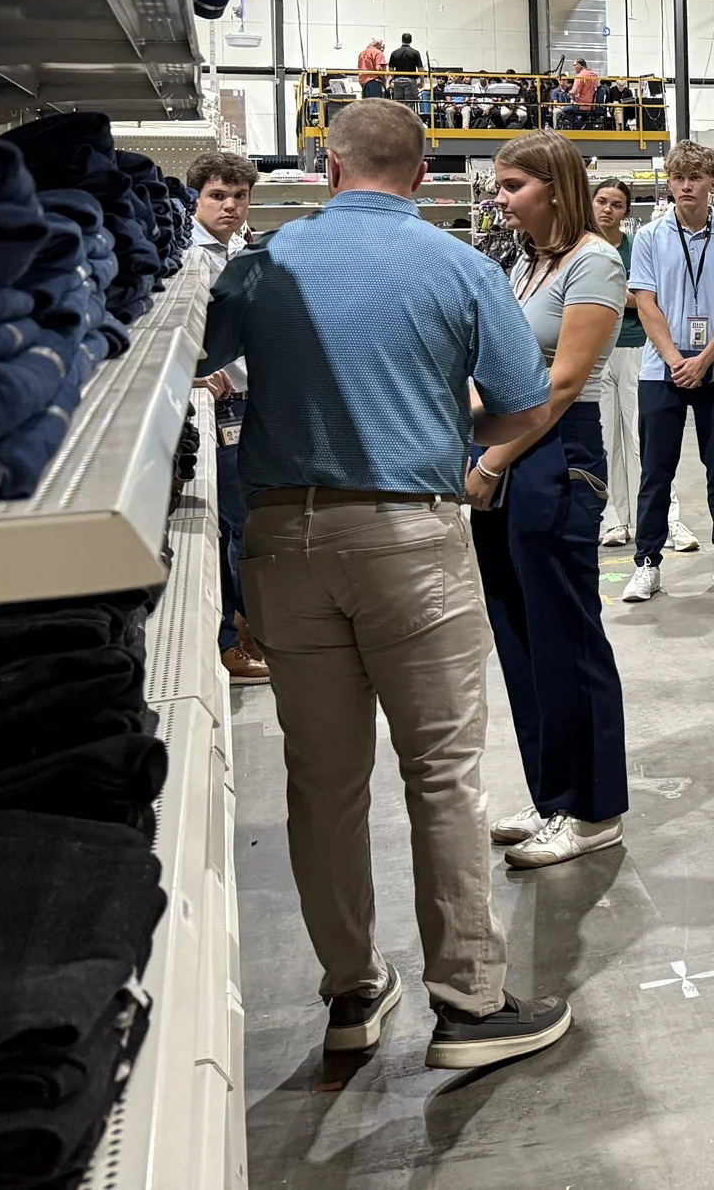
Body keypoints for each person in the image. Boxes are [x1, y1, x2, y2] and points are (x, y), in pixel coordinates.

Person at [200, 98, 570, 1069]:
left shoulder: (262, 264)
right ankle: (469, 1003)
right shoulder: (457, 264)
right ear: (418, 178)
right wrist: (455, 444)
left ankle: (352, 994)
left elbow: (187, 363)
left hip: (281, 534)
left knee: (321, 781)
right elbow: (527, 404)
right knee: (441, 774)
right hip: (409, 532)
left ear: (327, 171)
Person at [468, 132, 631, 871]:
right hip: (506, 454)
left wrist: (495, 458)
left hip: (557, 457)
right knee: (518, 628)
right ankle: (550, 792)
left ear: (553, 189)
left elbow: (560, 384)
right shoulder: (524, 264)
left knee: (567, 632)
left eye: (511, 185)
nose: (499, 198)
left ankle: (594, 809)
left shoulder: (594, 262)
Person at [624, 145, 714, 600]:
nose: (687, 186)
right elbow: (646, 303)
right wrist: (676, 359)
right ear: (669, 183)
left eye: (696, 177)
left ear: (712, 181)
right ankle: (648, 563)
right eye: (679, 178)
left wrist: (705, 358)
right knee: (656, 470)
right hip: (662, 370)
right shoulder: (650, 236)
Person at [186, 149, 264, 684]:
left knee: (245, 527)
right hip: (218, 410)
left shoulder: (239, 247)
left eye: (239, 196)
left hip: (246, 404)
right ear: (196, 198)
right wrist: (189, 376)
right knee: (230, 528)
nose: (230, 206)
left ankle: (245, 629)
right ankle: (227, 644)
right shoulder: (189, 257)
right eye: (218, 196)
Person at [588, 178, 646, 552]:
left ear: (626, 212)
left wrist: (606, 292)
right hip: (593, 353)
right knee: (606, 440)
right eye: (602, 201)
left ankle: (655, 518)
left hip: (634, 346)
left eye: (617, 204)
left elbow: (645, 301)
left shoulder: (637, 248)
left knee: (641, 437)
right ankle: (612, 520)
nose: (607, 209)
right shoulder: (580, 247)